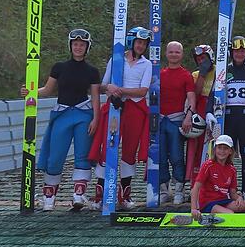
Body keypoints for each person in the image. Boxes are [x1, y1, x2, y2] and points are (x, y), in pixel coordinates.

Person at [22, 29, 100, 210]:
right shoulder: (59, 67)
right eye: (75, 44)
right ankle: (49, 197)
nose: (78, 47)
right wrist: (30, 92)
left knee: (82, 155)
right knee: (55, 156)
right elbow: (47, 90)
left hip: (83, 114)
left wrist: (95, 119)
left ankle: (79, 195)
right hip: (62, 114)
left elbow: (95, 96)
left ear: (87, 47)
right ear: (70, 46)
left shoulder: (92, 71)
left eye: (82, 45)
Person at [89, 27, 153, 210]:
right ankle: (100, 194)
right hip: (115, 107)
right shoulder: (116, 59)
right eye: (139, 42)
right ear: (132, 42)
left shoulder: (146, 64)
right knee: (106, 146)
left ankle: (125, 194)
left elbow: (142, 90)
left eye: (144, 43)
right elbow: (102, 86)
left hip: (135, 109)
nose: (141, 46)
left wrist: (121, 90)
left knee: (129, 150)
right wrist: (110, 87)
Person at [206, 35, 245, 200]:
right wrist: (209, 111)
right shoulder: (223, 71)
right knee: (224, 155)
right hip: (228, 118)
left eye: (242, 51)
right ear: (231, 52)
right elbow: (213, 93)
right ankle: (225, 190)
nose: (239, 54)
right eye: (236, 51)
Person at [158, 41, 197, 205]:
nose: (174, 55)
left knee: (176, 155)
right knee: (159, 155)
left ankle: (179, 188)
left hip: (176, 120)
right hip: (160, 120)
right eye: (171, 52)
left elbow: (191, 98)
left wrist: (188, 116)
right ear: (166, 54)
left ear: (181, 55)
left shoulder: (186, 75)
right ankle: (164, 189)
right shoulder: (159, 73)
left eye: (177, 52)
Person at [185, 45, 215, 185]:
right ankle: (194, 184)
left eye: (203, 58)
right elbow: (195, 95)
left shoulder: (220, 70)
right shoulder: (195, 75)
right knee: (197, 149)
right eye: (198, 59)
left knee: (215, 147)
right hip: (200, 111)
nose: (201, 61)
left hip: (216, 109)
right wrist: (202, 74)